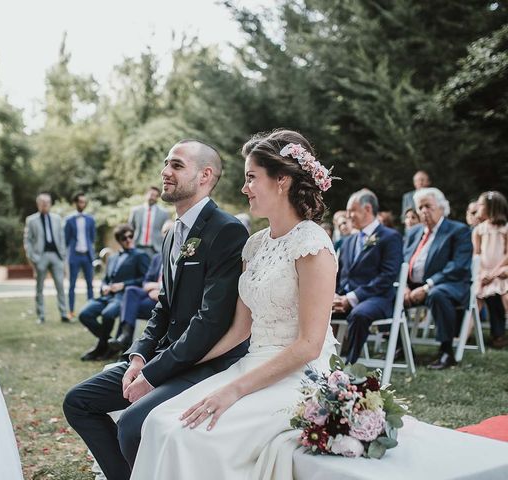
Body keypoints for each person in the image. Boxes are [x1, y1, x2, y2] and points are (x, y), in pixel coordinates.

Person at [130, 130, 338, 480]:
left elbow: (309, 345)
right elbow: (239, 330)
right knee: (159, 422)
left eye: (251, 178)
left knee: (188, 436)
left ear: (282, 180)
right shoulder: (255, 245)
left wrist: (233, 390)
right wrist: (174, 368)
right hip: (248, 363)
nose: (244, 189)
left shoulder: (312, 244)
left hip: (298, 376)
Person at [63, 139, 249, 480]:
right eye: (166, 163)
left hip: (205, 364)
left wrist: (152, 374)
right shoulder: (171, 234)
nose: (165, 172)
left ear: (205, 175)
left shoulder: (227, 231)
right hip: (163, 355)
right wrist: (138, 357)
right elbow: (163, 306)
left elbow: (210, 321)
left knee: (133, 424)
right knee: (78, 401)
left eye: (177, 165)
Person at [404, 187, 472, 370]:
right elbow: (401, 261)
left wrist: (426, 287)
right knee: (388, 294)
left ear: (442, 207)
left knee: (437, 294)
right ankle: (401, 346)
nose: (424, 211)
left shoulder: (458, 231)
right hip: (413, 286)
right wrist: (403, 286)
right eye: (420, 207)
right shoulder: (413, 233)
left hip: (449, 284)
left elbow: (457, 267)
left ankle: (446, 351)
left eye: (428, 206)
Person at [333, 189, 403, 364]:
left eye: (352, 211)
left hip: (378, 298)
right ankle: (321, 363)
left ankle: (349, 366)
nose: (349, 216)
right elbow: (340, 274)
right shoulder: (349, 241)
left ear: (368, 209)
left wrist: (352, 298)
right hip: (345, 298)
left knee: (359, 314)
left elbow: (387, 276)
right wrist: (335, 296)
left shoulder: (390, 237)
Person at [78, 224, 150, 361]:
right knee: (84, 314)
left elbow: (144, 279)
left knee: (108, 314)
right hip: (106, 296)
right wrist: (104, 286)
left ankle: (101, 347)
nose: (128, 240)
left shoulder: (141, 256)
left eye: (131, 236)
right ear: (119, 240)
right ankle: (109, 343)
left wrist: (123, 285)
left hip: (123, 297)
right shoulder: (112, 258)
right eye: (124, 238)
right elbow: (106, 279)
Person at [107, 221, 174, 355]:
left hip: (167, 302)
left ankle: (125, 345)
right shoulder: (157, 258)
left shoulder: (179, 256)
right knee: (130, 292)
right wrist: (153, 287)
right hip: (150, 299)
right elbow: (145, 282)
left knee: (128, 306)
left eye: (170, 231)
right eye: (165, 232)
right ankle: (126, 338)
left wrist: (160, 289)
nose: (167, 234)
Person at [23, 193, 68, 324]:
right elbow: (28, 240)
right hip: (40, 257)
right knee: (39, 288)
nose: (45, 205)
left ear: (50, 204)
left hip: (56, 256)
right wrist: (33, 257)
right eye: (42, 203)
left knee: (60, 285)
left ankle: (64, 313)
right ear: (38, 204)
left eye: (47, 202)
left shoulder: (57, 219)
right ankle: (41, 315)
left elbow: (62, 238)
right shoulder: (31, 220)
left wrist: (63, 255)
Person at [473, 191, 508, 348]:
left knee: (501, 300)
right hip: (484, 273)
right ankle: (463, 335)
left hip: (500, 272)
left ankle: (499, 334)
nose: (477, 208)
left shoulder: (505, 229)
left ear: (491, 208)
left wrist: (494, 273)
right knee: (481, 298)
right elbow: (477, 253)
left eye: (480, 205)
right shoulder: (479, 230)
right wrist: (483, 273)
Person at [64, 192, 96, 318]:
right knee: (72, 285)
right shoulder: (69, 220)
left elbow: (92, 238)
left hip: (87, 256)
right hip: (74, 256)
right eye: (80, 201)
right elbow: (66, 240)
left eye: (84, 202)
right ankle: (71, 311)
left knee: (90, 284)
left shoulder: (90, 219)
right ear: (75, 203)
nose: (82, 204)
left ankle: (91, 311)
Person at [128, 186, 170, 257]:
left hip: (155, 249)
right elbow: (130, 229)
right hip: (137, 247)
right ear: (146, 195)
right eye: (151, 195)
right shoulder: (136, 211)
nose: (152, 197)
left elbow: (166, 232)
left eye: (155, 196)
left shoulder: (164, 213)